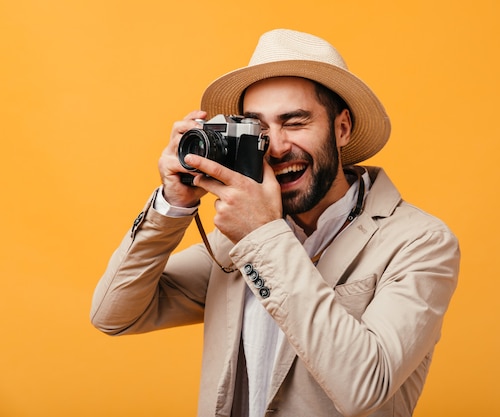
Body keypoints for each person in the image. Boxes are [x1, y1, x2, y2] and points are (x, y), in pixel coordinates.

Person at [91, 28, 460, 417]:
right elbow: (114, 315)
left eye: (295, 122)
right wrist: (173, 204)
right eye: (259, 128)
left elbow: (364, 388)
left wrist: (263, 234)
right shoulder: (235, 242)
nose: (278, 146)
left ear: (342, 127)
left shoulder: (420, 242)